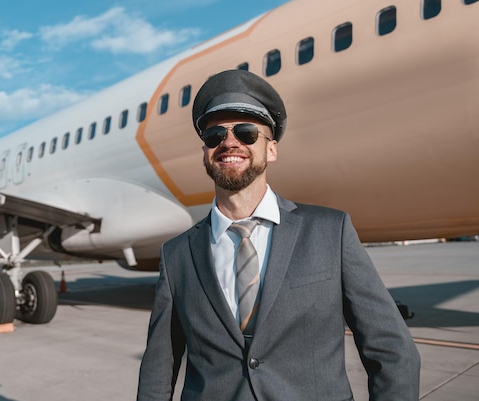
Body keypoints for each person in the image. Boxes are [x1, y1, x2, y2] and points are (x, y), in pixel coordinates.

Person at [136, 70, 420, 401]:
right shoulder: (176, 255)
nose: (229, 142)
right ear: (205, 153)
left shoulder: (330, 231)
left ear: (271, 150)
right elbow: (159, 366)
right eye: (215, 135)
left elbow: (392, 350)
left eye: (246, 133)